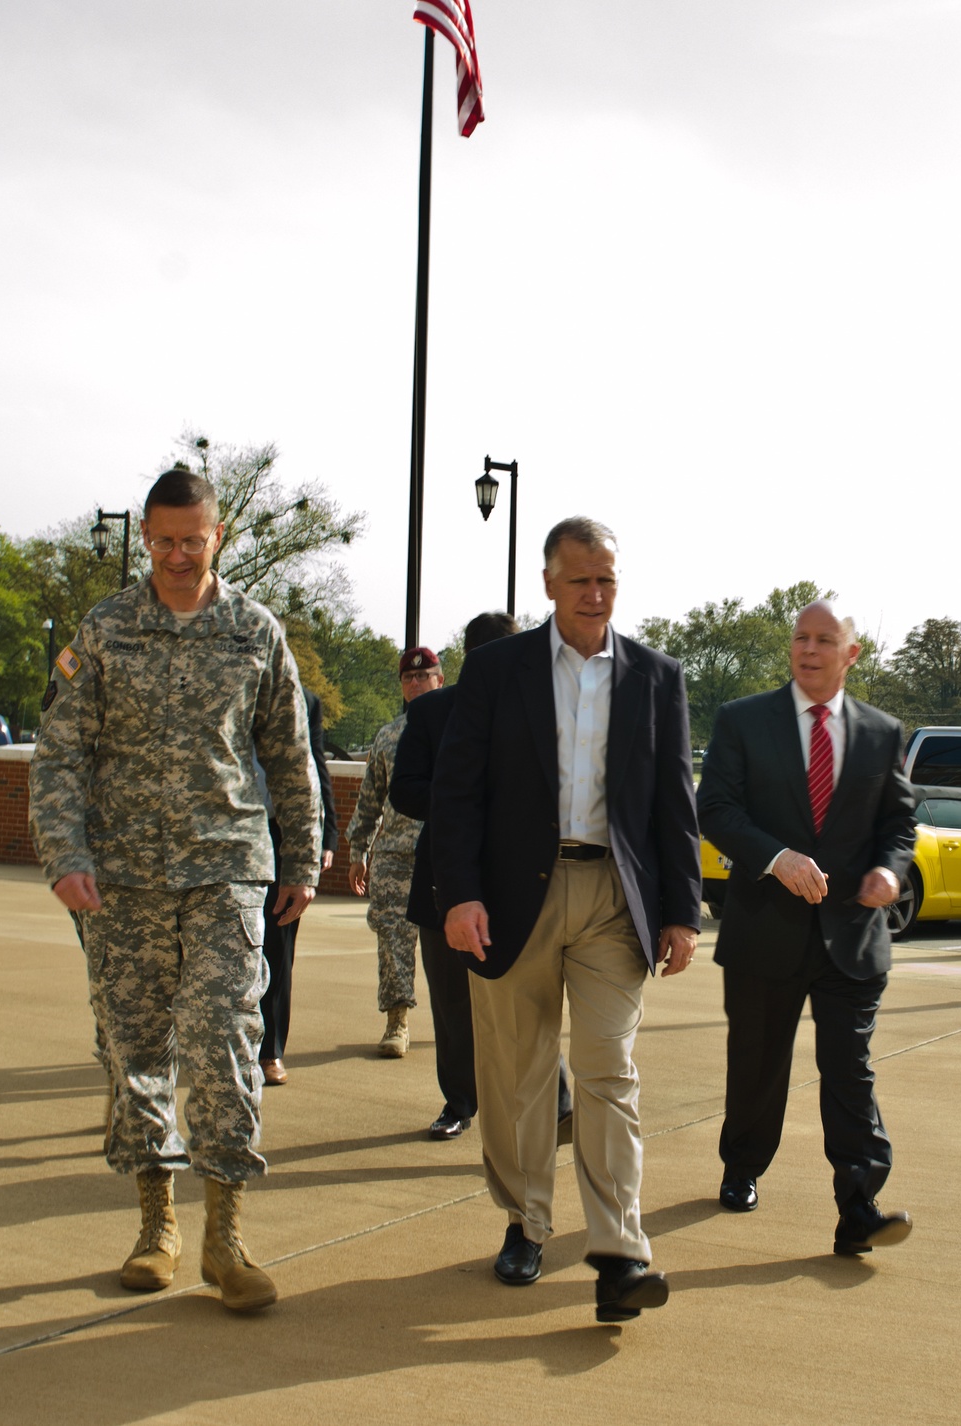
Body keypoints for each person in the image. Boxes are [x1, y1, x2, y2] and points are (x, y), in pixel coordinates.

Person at [29, 466, 322, 1313]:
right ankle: (156, 1221)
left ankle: (225, 1235)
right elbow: (61, 751)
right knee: (132, 1047)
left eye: (194, 539)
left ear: (218, 536)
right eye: (164, 540)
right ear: (146, 538)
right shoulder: (106, 628)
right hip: (120, 876)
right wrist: (64, 852)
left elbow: (288, 756)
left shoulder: (254, 631)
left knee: (224, 1034)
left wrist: (302, 859)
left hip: (227, 867)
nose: (179, 555)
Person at [431, 517, 702, 1324]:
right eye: (580, 579)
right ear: (547, 583)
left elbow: (673, 805)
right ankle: (526, 1220)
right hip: (513, 897)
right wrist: (459, 894)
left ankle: (620, 1251)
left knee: (607, 1070)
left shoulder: (657, 676)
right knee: (515, 1076)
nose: (595, 594)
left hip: (614, 901)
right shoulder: (494, 671)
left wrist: (681, 912)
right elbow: (457, 792)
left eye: (607, 580)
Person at [696, 600, 916, 1256]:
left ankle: (860, 1205)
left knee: (850, 1071)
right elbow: (717, 807)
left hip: (851, 937)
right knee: (758, 1064)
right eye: (801, 637)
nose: (809, 649)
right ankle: (742, 1164)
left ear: (851, 654)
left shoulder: (881, 731)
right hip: (765, 930)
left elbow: (898, 825)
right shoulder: (743, 721)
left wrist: (890, 871)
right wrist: (775, 857)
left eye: (825, 640)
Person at [389, 613, 575, 1142]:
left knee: (529, 1002)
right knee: (453, 1008)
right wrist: (464, 804)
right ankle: (460, 1103)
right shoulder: (431, 712)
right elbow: (404, 790)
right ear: (479, 658)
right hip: (443, 884)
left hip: (523, 886)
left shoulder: (546, 713)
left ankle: (558, 1104)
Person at [346, 646, 444, 1056]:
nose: (417, 684)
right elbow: (371, 797)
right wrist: (359, 849)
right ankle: (397, 1021)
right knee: (393, 940)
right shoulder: (387, 736)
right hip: (395, 856)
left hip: (443, 853)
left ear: (440, 679)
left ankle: (464, 1024)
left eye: (424, 677)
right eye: (409, 678)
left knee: (452, 947)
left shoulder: (460, 728)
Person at [258, 686, 338, 1086]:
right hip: (220, 834)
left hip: (280, 835)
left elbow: (315, 768)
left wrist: (326, 837)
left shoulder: (302, 701)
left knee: (277, 946)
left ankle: (270, 1051)